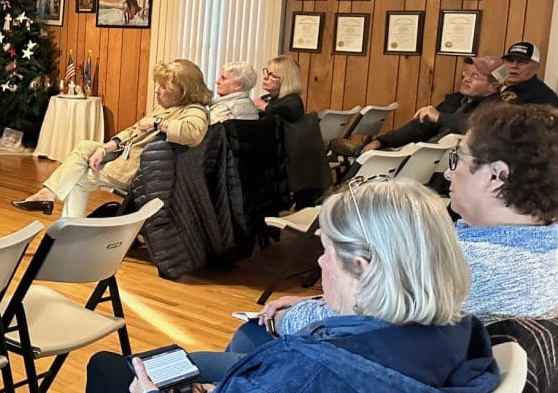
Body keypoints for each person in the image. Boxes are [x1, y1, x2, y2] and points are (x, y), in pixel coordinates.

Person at [80, 179, 501, 393]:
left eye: (328, 253)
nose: (318, 264)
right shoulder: (462, 334)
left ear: (364, 267)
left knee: (110, 371)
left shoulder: (311, 370)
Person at [237, 103, 558, 353]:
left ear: (496, 176)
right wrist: (321, 300)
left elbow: (356, 323)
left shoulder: (460, 263)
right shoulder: (544, 252)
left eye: (457, 159)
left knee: (249, 334)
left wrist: (283, 319)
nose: (449, 174)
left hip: (368, 392)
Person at [13, 59, 210, 217]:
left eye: (163, 87)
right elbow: (134, 130)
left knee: (76, 180)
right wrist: (107, 147)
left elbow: (193, 134)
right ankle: (48, 194)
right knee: (85, 147)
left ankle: (66, 226)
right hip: (123, 154)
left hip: (133, 169)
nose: (157, 90)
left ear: (182, 91)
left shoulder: (195, 111)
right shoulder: (166, 107)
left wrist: (157, 123)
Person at [363, 55, 502, 151]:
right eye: (466, 73)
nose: (466, 79)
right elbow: (418, 129)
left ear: (493, 86)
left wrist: (440, 117)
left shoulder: (496, 108)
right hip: (419, 155)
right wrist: (382, 141)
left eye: (475, 76)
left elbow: (476, 127)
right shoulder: (455, 100)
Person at [497, 41, 558, 106]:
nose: (514, 66)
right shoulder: (495, 86)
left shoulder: (543, 98)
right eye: (510, 61)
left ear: (536, 67)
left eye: (522, 62)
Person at [252, 55, 304, 123]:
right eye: (267, 72)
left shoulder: (293, 101)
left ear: (286, 79)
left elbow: (281, 114)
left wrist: (264, 106)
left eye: (273, 75)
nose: (265, 77)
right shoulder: (266, 98)